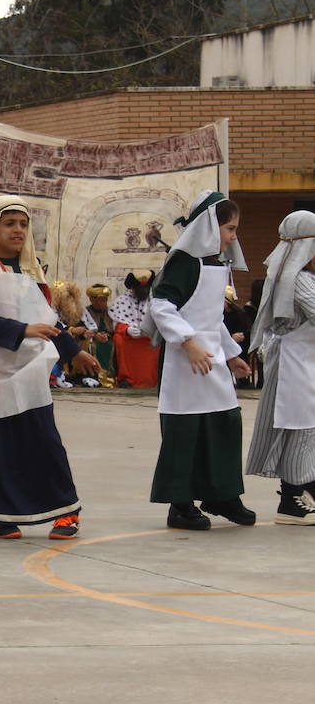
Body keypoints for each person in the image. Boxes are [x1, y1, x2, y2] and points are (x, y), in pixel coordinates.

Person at [0, 195, 101, 539]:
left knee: (44, 441)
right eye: (10, 223)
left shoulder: (32, 272)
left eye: (23, 224)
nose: (18, 230)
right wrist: (23, 331)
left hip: (30, 370)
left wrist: (74, 352)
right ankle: (3, 514)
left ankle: (66, 513)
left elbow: (48, 320)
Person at [148, 191, 253, 530]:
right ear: (209, 226)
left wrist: (234, 355)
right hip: (185, 365)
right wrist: (187, 342)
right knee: (185, 433)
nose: (233, 236)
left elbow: (212, 320)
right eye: (230, 228)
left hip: (214, 362)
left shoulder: (216, 265)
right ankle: (180, 505)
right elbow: (161, 306)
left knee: (225, 425)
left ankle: (222, 495)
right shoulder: (185, 262)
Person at [245, 210, 315, 524]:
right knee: (300, 429)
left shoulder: (301, 276)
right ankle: (292, 500)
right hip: (294, 366)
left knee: (304, 431)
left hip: (304, 362)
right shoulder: (297, 278)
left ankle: (298, 495)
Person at [111, 271, 159, 387]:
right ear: (133, 288)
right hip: (130, 339)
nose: (143, 291)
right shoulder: (122, 301)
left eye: (146, 288)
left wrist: (152, 331)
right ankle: (126, 379)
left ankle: (155, 380)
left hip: (150, 339)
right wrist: (127, 330)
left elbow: (163, 321)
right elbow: (117, 324)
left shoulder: (157, 300)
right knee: (118, 338)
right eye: (139, 288)